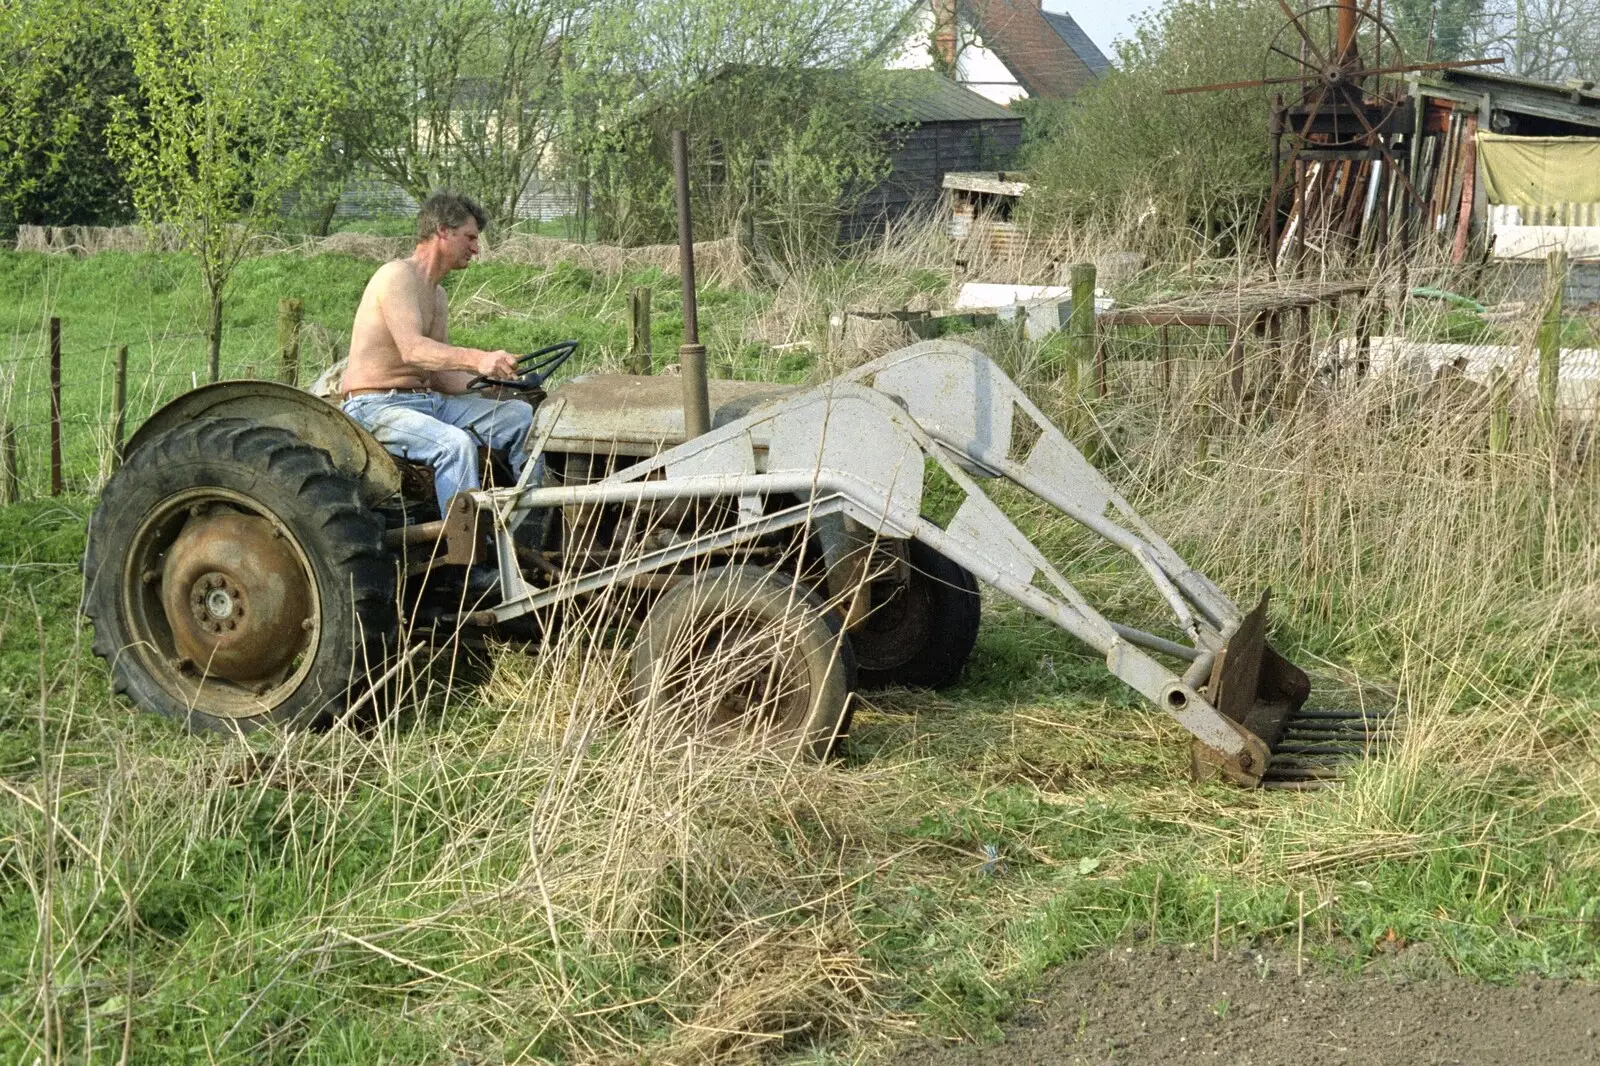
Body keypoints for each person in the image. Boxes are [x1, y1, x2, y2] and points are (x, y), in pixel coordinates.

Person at [340, 191, 534, 516]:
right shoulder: (396, 276)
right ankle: (467, 559)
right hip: (375, 406)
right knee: (454, 445)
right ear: (443, 231)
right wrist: (478, 358)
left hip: (428, 403)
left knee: (522, 418)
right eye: (470, 237)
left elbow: (439, 376)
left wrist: (490, 382)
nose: (476, 248)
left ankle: (531, 524)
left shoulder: (438, 294)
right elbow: (413, 350)